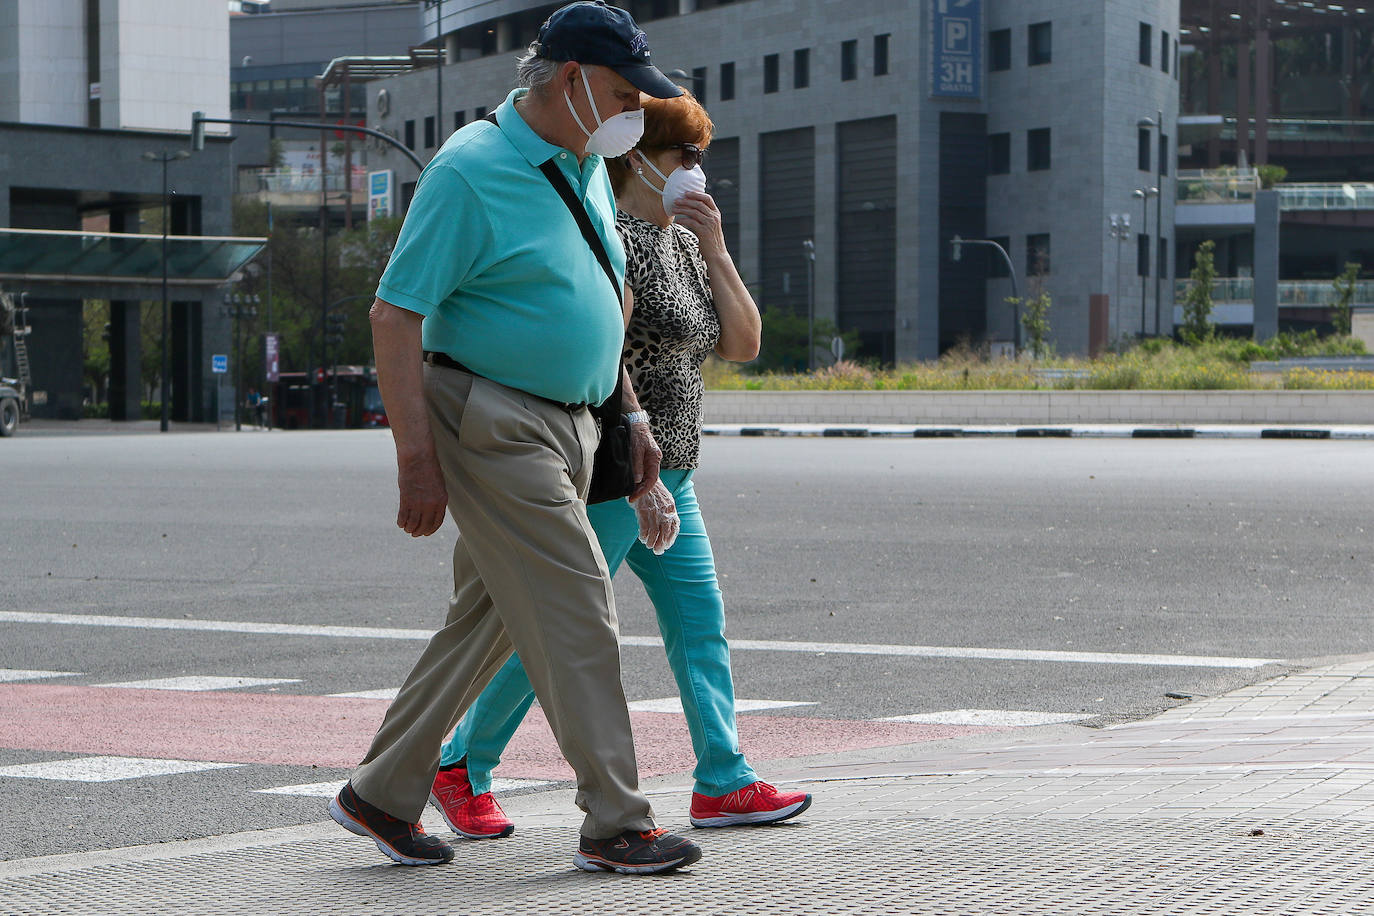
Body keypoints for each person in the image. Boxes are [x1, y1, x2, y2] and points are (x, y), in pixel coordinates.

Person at [328, 1, 702, 875]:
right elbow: (396, 312)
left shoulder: (583, 164)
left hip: (574, 422)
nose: (634, 115)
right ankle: (617, 821)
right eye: (621, 93)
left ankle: (380, 792)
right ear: (570, 80)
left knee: (490, 616)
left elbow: (603, 300)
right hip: (492, 419)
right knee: (577, 604)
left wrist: (630, 413)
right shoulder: (471, 169)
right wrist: (416, 461)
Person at [429, 88, 813, 842]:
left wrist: (718, 248)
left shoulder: (679, 240)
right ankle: (461, 765)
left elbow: (741, 344)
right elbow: (603, 355)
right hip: (615, 473)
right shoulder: (619, 239)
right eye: (685, 155)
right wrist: (636, 458)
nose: (697, 170)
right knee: (553, 630)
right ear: (638, 156)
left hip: (678, 475)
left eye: (702, 156)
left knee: (701, 626)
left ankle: (723, 780)